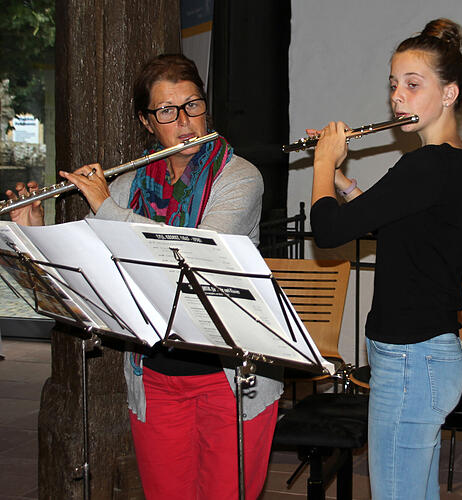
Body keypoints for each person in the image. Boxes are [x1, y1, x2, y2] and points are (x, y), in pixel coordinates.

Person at [6, 53, 283, 500]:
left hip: (230, 378)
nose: (186, 121)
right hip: (155, 377)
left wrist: (106, 208)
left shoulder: (239, 177)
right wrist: (30, 227)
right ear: (146, 121)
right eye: (167, 112)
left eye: (193, 105)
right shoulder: (127, 185)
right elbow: (88, 270)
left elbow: (190, 252)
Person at [308, 18, 462, 500]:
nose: (397, 97)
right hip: (420, 356)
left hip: (412, 358)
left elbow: (328, 231)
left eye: (412, 84)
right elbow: (398, 225)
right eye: (393, 85)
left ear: (449, 93)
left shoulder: (426, 165)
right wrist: (343, 183)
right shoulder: (453, 164)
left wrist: (321, 166)